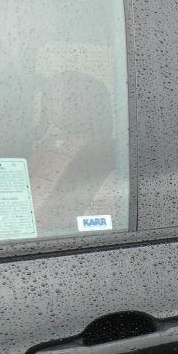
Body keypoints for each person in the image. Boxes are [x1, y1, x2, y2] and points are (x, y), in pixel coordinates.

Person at [28, 71, 122, 236]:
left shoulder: (101, 153)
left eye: (68, 99)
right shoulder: (49, 144)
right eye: (50, 98)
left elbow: (57, 218)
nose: (52, 105)